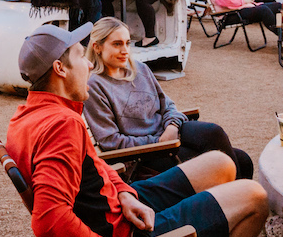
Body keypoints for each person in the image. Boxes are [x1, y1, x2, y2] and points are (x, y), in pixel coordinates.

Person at [6, 23, 267, 237]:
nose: (87, 65)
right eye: (81, 57)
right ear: (60, 69)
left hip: (120, 212)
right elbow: (49, 222)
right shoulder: (60, 126)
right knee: (255, 198)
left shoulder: (33, 114)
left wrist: (126, 194)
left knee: (220, 163)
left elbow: (96, 168)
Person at [84, 18, 254, 179]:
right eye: (117, 44)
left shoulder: (140, 70)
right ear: (97, 47)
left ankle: (240, 199)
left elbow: (168, 105)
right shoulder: (95, 86)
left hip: (170, 137)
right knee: (233, 162)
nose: (125, 51)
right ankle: (237, 198)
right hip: (147, 154)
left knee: (234, 151)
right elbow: (110, 141)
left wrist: (172, 126)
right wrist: (158, 141)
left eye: (127, 43)